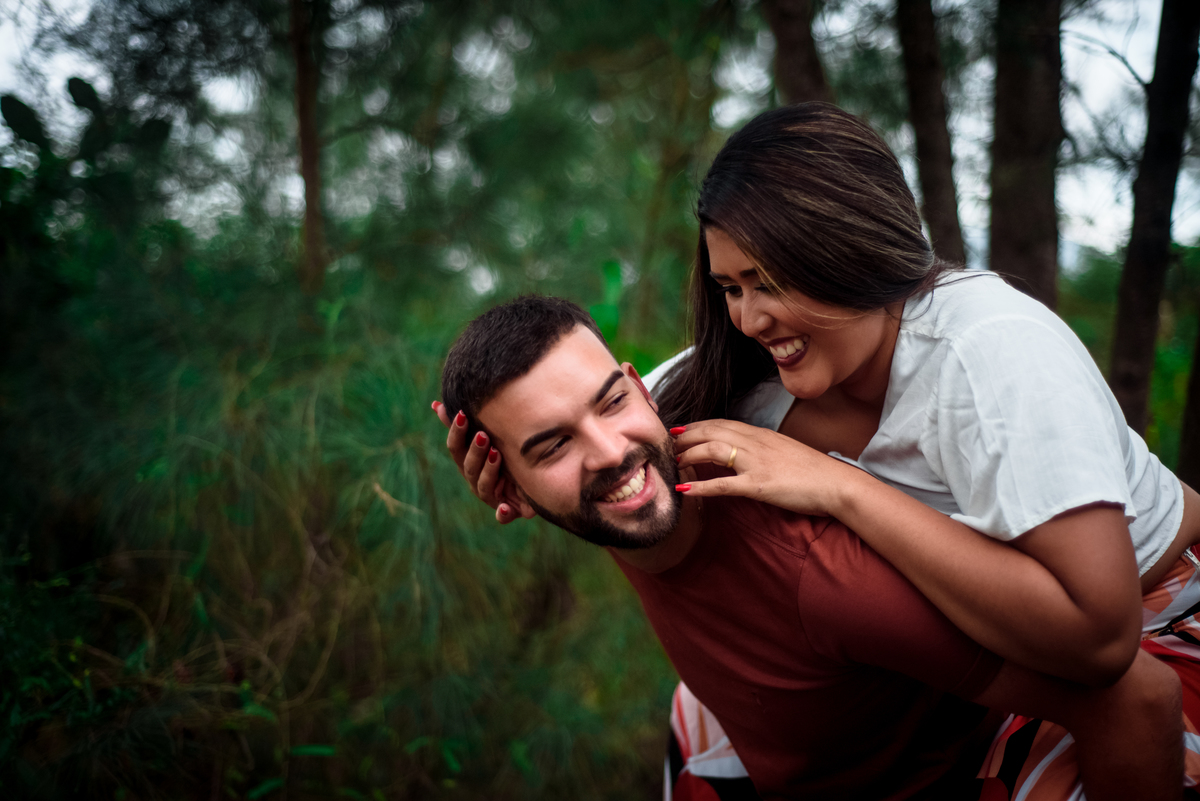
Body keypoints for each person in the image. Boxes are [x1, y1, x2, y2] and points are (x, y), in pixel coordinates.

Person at [436, 295, 1185, 801]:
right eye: (551, 443)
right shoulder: (629, 483)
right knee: (689, 718)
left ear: (640, 389)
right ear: (514, 485)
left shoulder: (817, 571)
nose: (610, 451)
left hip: (960, 768)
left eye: (609, 402)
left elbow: (1136, 697)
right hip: (804, 750)